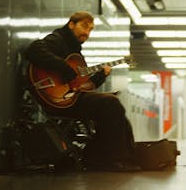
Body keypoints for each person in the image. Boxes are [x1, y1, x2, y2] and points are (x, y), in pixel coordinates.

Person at [24, 11, 140, 171]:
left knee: (115, 108)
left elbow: (83, 86)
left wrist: (100, 76)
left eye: (91, 29)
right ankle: (106, 160)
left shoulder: (75, 52)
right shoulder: (58, 39)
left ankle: (124, 157)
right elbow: (34, 50)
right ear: (71, 24)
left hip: (69, 97)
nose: (87, 32)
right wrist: (64, 68)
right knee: (110, 104)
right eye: (84, 26)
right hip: (54, 99)